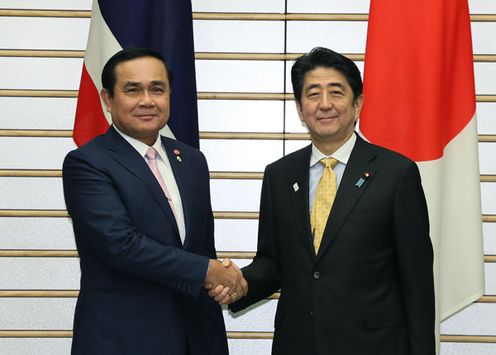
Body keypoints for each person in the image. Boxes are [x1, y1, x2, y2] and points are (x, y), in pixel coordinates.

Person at [212, 47, 435, 354]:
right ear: (300, 109)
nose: (325, 104)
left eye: (336, 92)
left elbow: (417, 282)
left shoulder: (396, 173)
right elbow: (274, 262)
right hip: (298, 343)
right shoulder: (279, 175)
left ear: (357, 104)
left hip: (374, 345)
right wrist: (240, 282)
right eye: (313, 94)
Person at [63, 48, 246, 355]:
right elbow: (120, 246)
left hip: (197, 338)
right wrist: (209, 271)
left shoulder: (191, 160)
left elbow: (201, 248)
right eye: (133, 90)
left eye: (157, 89)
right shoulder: (87, 163)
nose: (147, 100)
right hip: (122, 340)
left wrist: (221, 279)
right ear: (108, 100)